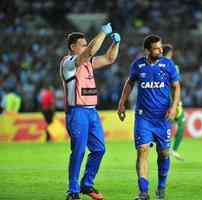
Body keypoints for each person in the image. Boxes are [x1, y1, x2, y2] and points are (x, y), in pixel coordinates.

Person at [59, 23, 120, 200]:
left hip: (92, 112)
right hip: (77, 112)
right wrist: (103, 32)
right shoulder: (68, 63)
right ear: (73, 47)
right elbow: (91, 51)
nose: (86, 47)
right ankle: (72, 190)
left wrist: (115, 44)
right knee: (78, 151)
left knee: (99, 149)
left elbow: (109, 59)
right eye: (83, 44)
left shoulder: (88, 63)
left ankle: (86, 184)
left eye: (86, 44)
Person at [118, 34, 181, 200]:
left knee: (164, 153)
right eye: (156, 48)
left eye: (161, 47)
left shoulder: (168, 65)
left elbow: (176, 87)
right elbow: (130, 82)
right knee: (142, 150)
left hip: (162, 118)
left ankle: (161, 186)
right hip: (143, 117)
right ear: (147, 50)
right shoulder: (138, 65)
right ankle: (143, 192)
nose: (161, 50)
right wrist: (122, 102)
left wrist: (173, 106)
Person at [162, 44, 185, 161]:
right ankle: (171, 149)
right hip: (171, 100)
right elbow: (175, 85)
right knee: (180, 123)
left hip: (164, 99)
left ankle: (167, 148)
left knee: (170, 123)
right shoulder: (172, 66)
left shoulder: (156, 65)